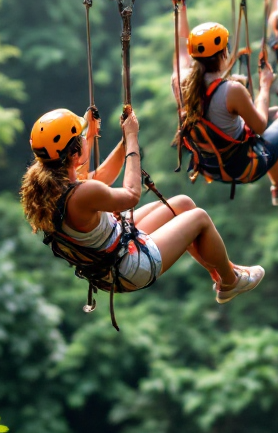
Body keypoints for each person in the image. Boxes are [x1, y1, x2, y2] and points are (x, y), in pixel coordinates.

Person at [20, 106, 265, 305]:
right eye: (82, 139)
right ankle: (231, 282)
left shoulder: (52, 188)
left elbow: (98, 177)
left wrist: (108, 137)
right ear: (74, 154)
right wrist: (133, 138)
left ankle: (223, 271)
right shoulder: (82, 193)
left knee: (182, 205)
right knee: (199, 217)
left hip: (115, 252)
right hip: (128, 267)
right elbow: (131, 194)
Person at [173, 18, 278, 205]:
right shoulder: (232, 90)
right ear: (224, 53)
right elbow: (260, 126)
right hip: (244, 165)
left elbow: (180, 47)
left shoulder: (181, 82)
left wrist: (181, 10)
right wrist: (265, 84)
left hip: (210, 167)